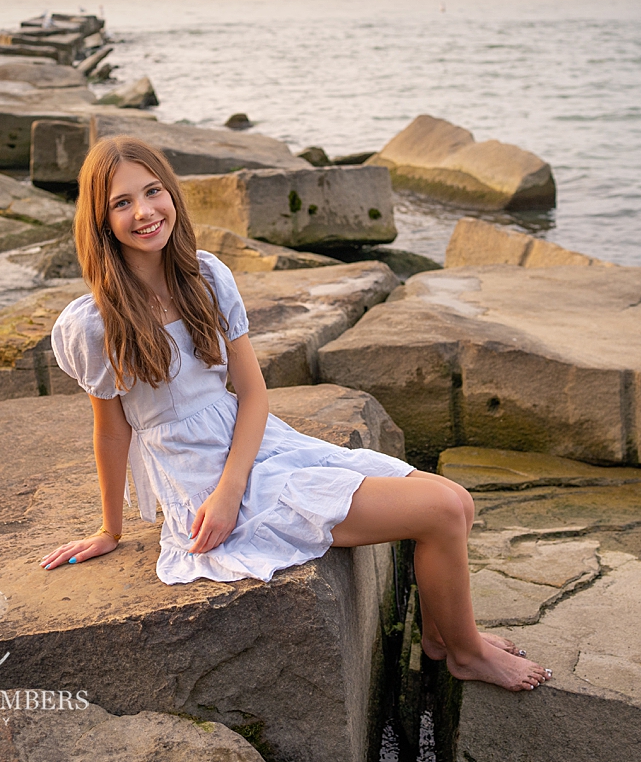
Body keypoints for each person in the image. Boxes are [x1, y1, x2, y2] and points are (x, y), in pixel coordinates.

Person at [40, 136, 550, 692]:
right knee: (444, 510)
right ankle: (467, 655)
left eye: (153, 191)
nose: (144, 212)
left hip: (254, 445)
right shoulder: (93, 323)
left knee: (458, 503)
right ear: (100, 218)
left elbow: (254, 394)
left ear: (172, 195)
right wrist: (110, 528)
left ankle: (444, 638)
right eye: (121, 202)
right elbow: (111, 432)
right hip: (197, 474)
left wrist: (236, 480)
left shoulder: (205, 277)